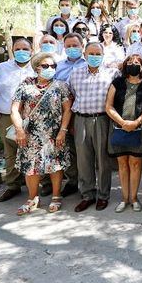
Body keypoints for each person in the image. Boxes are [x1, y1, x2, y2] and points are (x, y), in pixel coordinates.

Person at [10, 53, 73, 215]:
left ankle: (56, 196)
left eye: (53, 66)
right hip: (30, 134)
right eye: (45, 66)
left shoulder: (60, 86)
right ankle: (32, 198)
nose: (50, 69)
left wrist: (63, 131)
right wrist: (19, 130)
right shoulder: (26, 84)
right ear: (36, 67)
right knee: (31, 166)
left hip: (54, 133)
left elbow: (67, 110)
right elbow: (15, 109)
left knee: (55, 165)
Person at [68, 42, 120, 212]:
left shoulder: (112, 74)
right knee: (83, 160)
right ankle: (87, 195)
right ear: (84, 54)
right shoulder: (75, 75)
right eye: (91, 53)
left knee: (103, 160)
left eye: (98, 54)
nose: (95, 57)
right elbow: (73, 96)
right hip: (81, 119)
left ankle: (103, 195)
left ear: (103, 55)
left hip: (102, 120)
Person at [105, 54, 142, 212]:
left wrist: (136, 122)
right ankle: (124, 198)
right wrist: (122, 122)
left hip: (139, 129)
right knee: (122, 165)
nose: (133, 65)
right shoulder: (117, 82)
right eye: (130, 62)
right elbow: (109, 106)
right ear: (125, 65)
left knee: (135, 164)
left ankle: (134, 198)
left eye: (137, 63)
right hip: (119, 129)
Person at [0, 38, 35, 202]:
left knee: (33, 149)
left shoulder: (37, 67)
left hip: (32, 116)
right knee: (11, 152)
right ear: (13, 50)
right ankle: (13, 185)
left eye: (25, 48)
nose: (21, 51)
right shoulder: (2, 68)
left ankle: (37, 183)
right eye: (18, 48)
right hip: (6, 116)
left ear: (32, 50)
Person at [51, 33, 87, 197]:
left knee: (83, 149)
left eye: (75, 45)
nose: (72, 49)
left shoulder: (88, 65)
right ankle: (73, 180)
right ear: (64, 48)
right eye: (69, 46)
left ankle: (86, 182)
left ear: (82, 46)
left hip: (81, 112)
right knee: (67, 149)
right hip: (61, 112)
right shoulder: (57, 66)